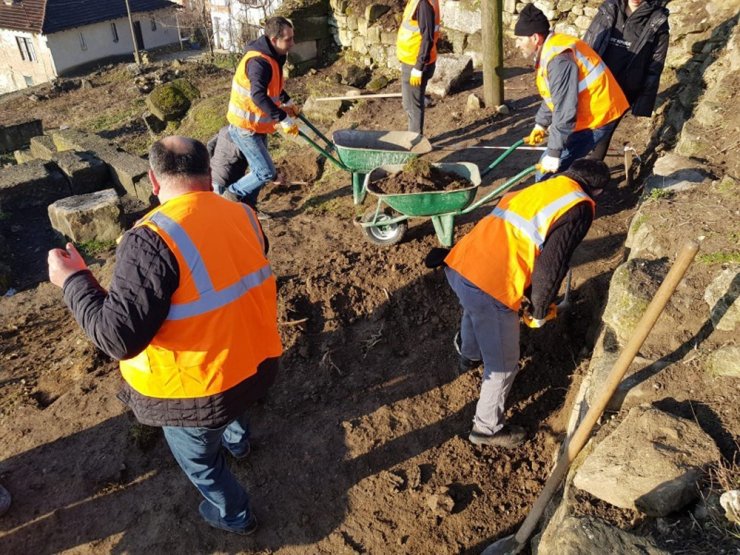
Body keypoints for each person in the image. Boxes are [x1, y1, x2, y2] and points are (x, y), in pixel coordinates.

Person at [47, 136, 283, 535]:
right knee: (235, 408)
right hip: (255, 362)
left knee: (203, 464)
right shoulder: (243, 214)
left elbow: (117, 338)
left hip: (196, 392)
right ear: (208, 174)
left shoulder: (151, 239)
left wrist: (74, 281)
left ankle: (235, 514)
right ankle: (239, 442)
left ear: (154, 182)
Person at [438, 159, 610, 447]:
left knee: (474, 311)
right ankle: (487, 429)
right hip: (491, 285)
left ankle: (468, 355)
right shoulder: (579, 206)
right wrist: (540, 309)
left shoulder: (543, 189)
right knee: (504, 365)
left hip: (461, 264)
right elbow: (551, 267)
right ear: (598, 192)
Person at [514, 5, 629, 181]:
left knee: (545, 175)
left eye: (520, 39)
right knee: (550, 167)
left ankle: (562, 203)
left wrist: (554, 153)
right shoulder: (551, 49)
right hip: (590, 111)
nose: (517, 44)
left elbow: (564, 109)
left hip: (598, 116)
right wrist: (541, 123)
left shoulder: (559, 60)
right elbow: (554, 94)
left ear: (535, 38)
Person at [224, 16, 300, 211]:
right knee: (265, 172)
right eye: (288, 39)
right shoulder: (259, 62)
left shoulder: (272, 56)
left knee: (260, 170)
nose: (293, 43)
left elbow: (271, 87)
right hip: (245, 127)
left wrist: (287, 100)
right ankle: (227, 198)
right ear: (274, 40)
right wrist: (282, 118)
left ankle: (249, 210)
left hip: (257, 125)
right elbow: (258, 96)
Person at [583, 0, 670, 161]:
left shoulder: (658, 21)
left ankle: (590, 175)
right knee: (582, 125)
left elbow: (655, 65)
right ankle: (568, 170)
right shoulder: (609, 9)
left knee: (604, 131)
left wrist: (644, 97)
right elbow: (589, 42)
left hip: (625, 88)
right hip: (596, 81)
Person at [396, 0, 440, 135]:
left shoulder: (423, 4)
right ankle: (415, 137)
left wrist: (418, 67)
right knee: (410, 102)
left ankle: (414, 141)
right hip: (411, 60)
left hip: (415, 64)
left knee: (412, 106)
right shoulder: (417, 2)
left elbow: (427, 37)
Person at [207, 125, 248, 196]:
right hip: (226, 179)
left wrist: (212, 165)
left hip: (213, 176)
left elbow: (210, 145)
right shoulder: (246, 137)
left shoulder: (225, 129)